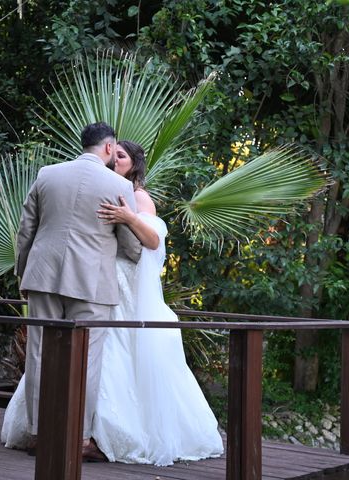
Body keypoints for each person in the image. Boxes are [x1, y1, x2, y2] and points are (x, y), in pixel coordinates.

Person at [6, 122, 143, 459]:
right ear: (110, 148)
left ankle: (40, 434)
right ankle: (77, 439)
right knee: (87, 359)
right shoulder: (118, 185)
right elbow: (133, 247)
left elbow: (26, 231)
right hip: (92, 281)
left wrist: (24, 274)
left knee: (38, 355)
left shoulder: (47, 174)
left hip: (43, 276)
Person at [91, 140, 224, 466]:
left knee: (119, 347)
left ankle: (118, 433)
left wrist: (127, 216)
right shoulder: (106, 186)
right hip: (104, 278)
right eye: (113, 154)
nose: (115, 159)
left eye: (121, 156)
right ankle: (90, 430)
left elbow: (152, 243)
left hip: (128, 283)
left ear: (134, 164)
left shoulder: (138, 196)